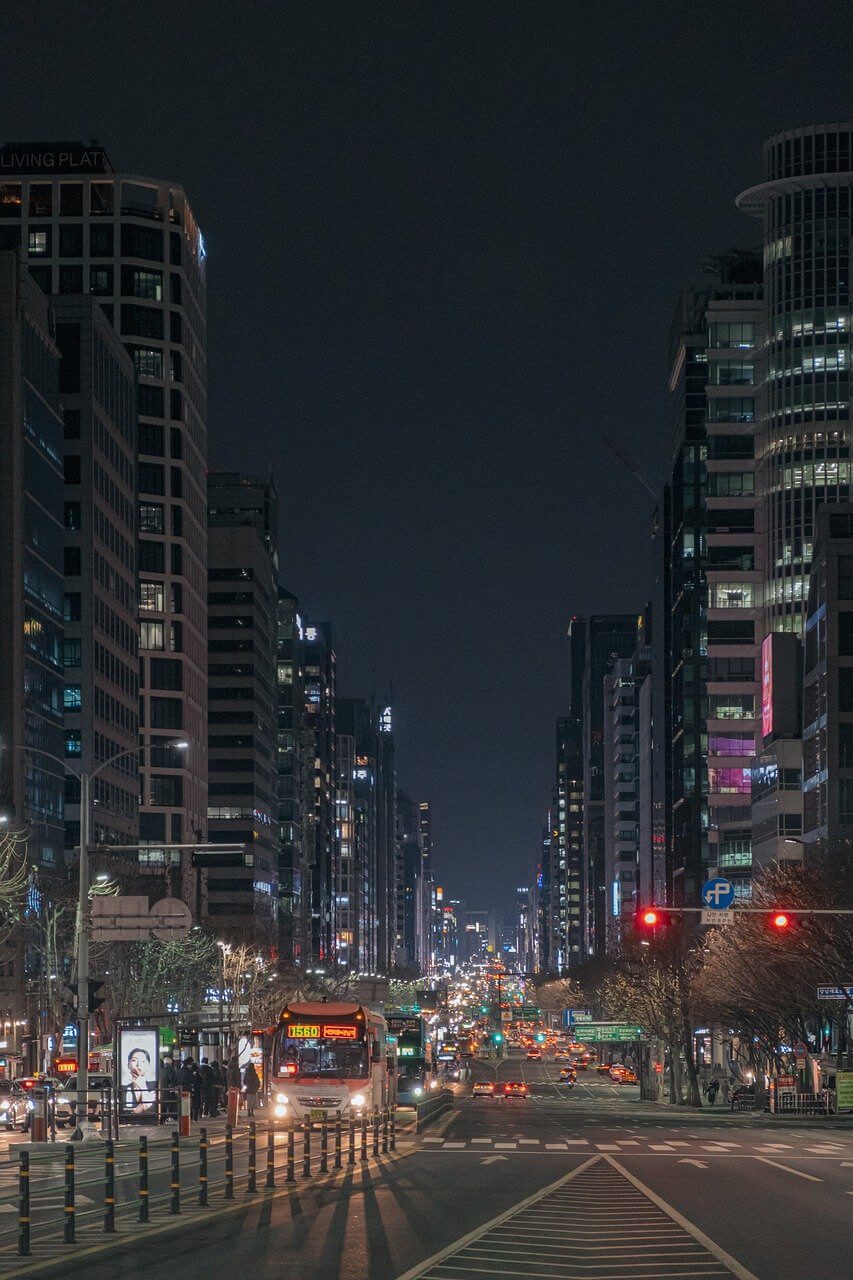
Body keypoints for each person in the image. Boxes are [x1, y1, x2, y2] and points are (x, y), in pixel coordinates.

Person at [124, 1047, 157, 1117]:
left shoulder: (154, 1085)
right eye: (134, 1060)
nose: (138, 1065)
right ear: (128, 1064)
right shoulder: (123, 1088)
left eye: (143, 1061)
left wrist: (141, 1083)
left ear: (148, 1065)